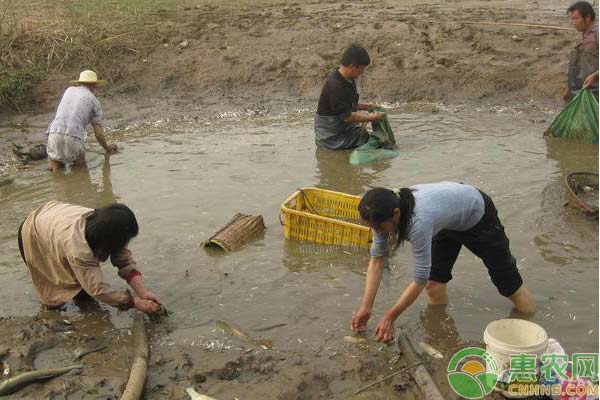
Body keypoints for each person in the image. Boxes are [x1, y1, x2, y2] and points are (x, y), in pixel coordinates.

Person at [350, 182, 536, 343]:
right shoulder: (379, 216)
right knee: (434, 284)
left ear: (396, 213)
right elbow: (376, 261)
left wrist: (391, 316)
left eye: (379, 227)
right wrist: (366, 308)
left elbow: (419, 278)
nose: (377, 232)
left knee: (507, 282)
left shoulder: (418, 222)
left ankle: (531, 326)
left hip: (477, 214)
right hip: (446, 222)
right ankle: (441, 336)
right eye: (372, 227)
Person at [18, 201, 160, 313]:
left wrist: (143, 292)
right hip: (33, 232)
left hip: (52, 217)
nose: (124, 243)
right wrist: (134, 303)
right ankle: (53, 319)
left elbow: (124, 260)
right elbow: (97, 289)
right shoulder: (79, 248)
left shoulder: (104, 224)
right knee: (54, 293)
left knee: (83, 288)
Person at [314, 44, 385, 150]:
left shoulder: (348, 78)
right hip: (331, 138)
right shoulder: (335, 85)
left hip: (343, 128)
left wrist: (367, 106)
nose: (362, 72)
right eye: (361, 68)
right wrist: (372, 118)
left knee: (368, 137)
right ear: (352, 66)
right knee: (374, 143)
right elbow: (347, 117)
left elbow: (347, 104)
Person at [46, 70, 118, 173]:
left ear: (79, 83)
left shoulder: (69, 90)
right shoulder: (94, 100)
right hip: (73, 136)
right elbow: (98, 134)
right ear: (94, 85)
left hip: (53, 133)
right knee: (80, 173)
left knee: (57, 171)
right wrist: (107, 148)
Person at [563, 1, 599, 102]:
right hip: (581, 92)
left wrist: (595, 76)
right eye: (572, 19)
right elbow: (575, 66)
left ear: (587, 18)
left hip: (596, 93)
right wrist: (568, 86)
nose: (573, 22)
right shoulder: (580, 38)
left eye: (576, 18)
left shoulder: (597, 34)